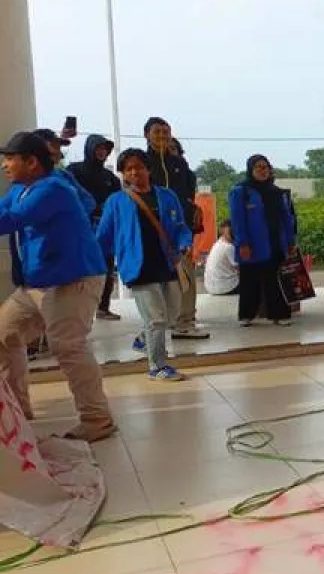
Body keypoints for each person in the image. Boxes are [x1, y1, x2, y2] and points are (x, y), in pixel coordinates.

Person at [0, 131, 115, 441]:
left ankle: (97, 419)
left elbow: (8, 220)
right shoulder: (21, 189)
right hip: (38, 285)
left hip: (73, 280)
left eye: (10, 158)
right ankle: (16, 412)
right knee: (4, 335)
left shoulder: (53, 188)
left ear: (32, 162)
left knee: (68, 346)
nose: (5, 165)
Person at [97, 149, 192, 381]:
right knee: (156, 319)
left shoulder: (167, 196)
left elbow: (180, 226)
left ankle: (143, 339)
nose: (134, 172)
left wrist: (184, 243)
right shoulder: (116, 202)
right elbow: (103, 237)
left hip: (167, 262)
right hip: (138, 266)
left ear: (148, 169)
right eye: (128, 169)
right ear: (123, 174)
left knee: (172, 315)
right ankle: (157, 366)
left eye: (138, 167)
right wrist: (96, 264)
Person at [144, 117, 209, 339]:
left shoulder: (179, 164)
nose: (162, 136)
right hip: (151, 229)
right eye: (157, 132)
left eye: (165, 132)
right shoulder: (142, 163)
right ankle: (159, 323)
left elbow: (188, 195)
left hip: (180, 231)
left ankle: (185, 321)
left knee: (185, 275)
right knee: (156, 278)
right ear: (147, 135)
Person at [229, 155, 296, 326]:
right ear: (250, 170)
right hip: (252, 244)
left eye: (265, 167)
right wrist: (242, 243)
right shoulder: (241, 191)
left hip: (274, 243)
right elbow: (237, 220)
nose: (262, 170)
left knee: (275, 280)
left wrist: (290, 242)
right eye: (258, 167)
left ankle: (279, 314)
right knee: (249, 280)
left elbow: (286, 218)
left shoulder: (276, 192)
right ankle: (247, 315)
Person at [66, 134, 122, 320]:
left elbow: (117, 201)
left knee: (106, 267)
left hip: (104, 228)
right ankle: (77, 309)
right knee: (79, 270)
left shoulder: (110, 177)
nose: (102, 152)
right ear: (89, 148)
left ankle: (103, 307)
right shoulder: (74, 171)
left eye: (105, 149)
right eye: (98, 148)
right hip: (80, 229)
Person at [204, 220, 240, 296]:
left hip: (210, 287)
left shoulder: (216, 244)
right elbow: (239, 268)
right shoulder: (229, 247)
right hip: (226, 288)